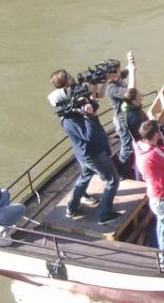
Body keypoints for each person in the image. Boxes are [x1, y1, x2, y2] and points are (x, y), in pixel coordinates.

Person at [48, 70, 121, 224]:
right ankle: (104, 214)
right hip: (93, 154)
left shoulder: (72, 112)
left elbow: (95, 102)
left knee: (85, 177)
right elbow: (89, 136)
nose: (71, 77)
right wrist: (90, 117)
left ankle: (72, 208)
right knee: (112, 180)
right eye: (68, 77)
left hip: (84, 154)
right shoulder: (68, 120)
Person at [134, 119, 164, 266]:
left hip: (155, 194)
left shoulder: (140, 147)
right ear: (156, 134)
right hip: (163, 196)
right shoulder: (153, 154)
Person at [104, 52, 137, 178]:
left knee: (129, 144)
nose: (120, 70)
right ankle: (121, 172)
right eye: (118, 69)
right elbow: (131, 93)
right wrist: (133, 72)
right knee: (127, 147)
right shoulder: (112, 88)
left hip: (127, 116)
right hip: (121, 119)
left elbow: (124, 73)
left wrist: (130, 63)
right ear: (112, 74)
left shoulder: (117, 78)